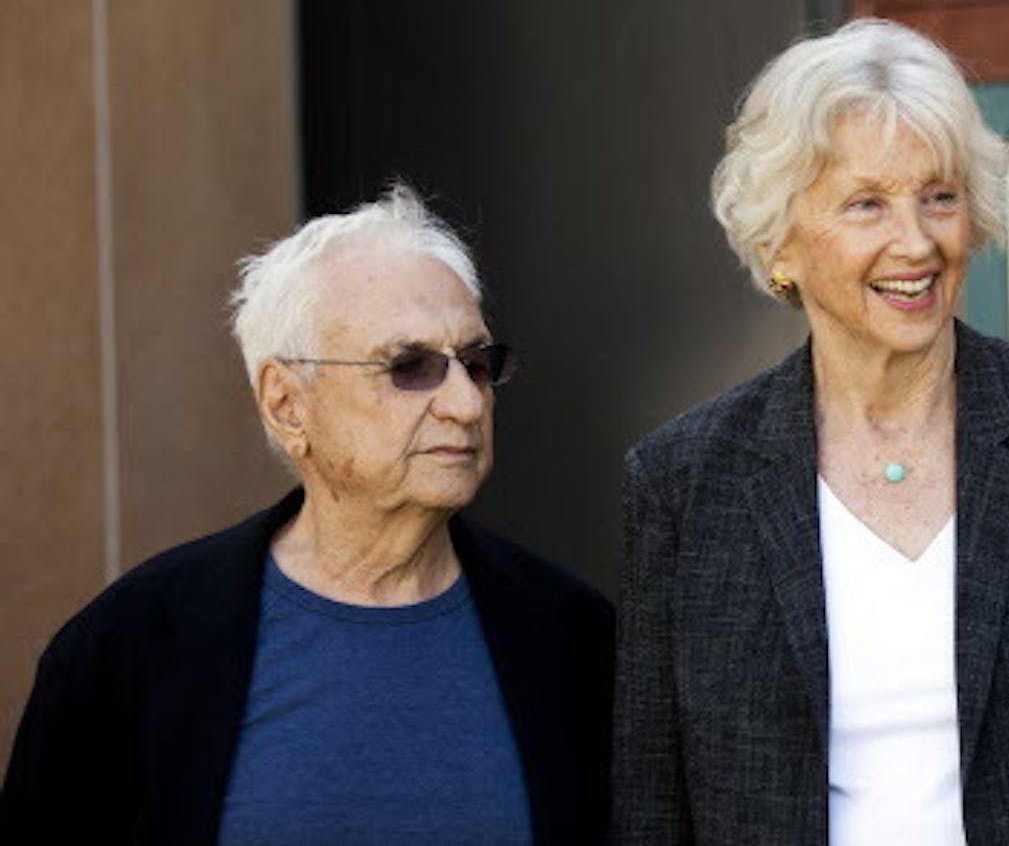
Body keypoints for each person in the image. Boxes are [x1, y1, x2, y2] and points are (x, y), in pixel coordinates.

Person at [612, 19, 1009, 844]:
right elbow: (653, 800)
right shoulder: (685, 479)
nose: (916, 240)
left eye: (939, 196)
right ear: (778, 238)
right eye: (867, 203)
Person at [2, 187, 613, 845]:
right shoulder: (130, 646)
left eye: (477, 363)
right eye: (410, 366)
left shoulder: (573, 637)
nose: (465, 404)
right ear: (287, 404)